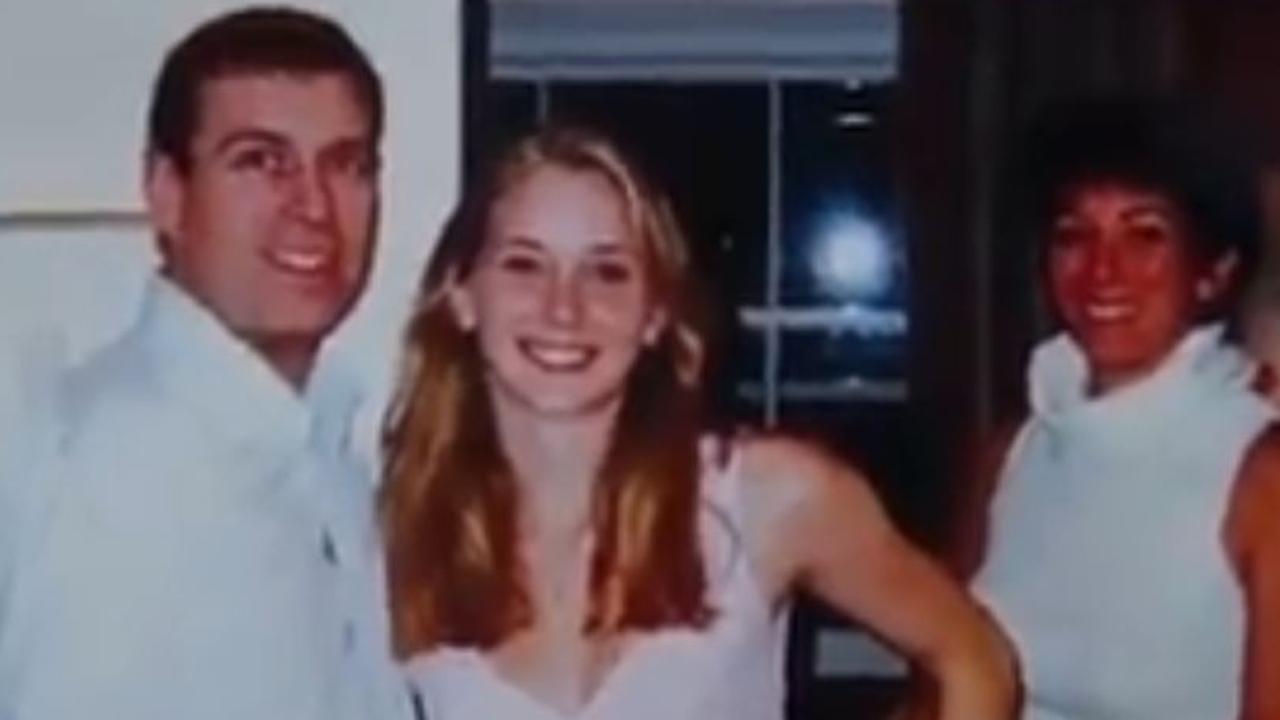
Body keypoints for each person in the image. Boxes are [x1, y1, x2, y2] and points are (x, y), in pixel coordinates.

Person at [380, 126, 1017, 720]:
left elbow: (977, 661)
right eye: (524, 264)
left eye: (607, 271)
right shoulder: (395, 530)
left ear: (655, 312)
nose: (563, 308)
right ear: (460, 296)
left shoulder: (766, 496)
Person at [0, 8, 407, 720]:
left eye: (346, 164)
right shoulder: (104, 477)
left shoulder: (329, 466)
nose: (312, 205)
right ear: (168, 194)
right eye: (261, 161)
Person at [958, 97, 1280, 719]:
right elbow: (943, 686)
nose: (1104, 270)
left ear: (1212, 272)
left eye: (1145, 235)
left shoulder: (1260, 474)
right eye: (1074, 237)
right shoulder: (1011, 453)